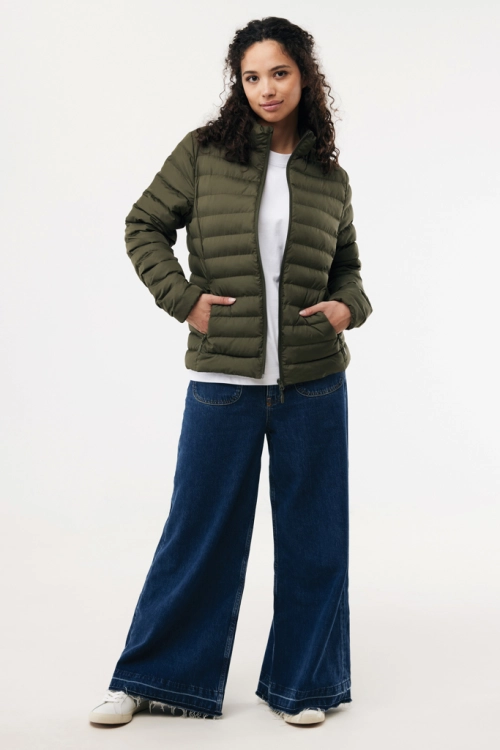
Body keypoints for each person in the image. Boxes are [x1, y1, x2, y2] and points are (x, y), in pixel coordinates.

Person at [89, 16, 372, 728]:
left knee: (315, 538)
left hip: (314, 384)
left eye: (279, 73)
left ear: (304, 76)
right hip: (224, 382)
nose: (265, 88)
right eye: (251, 76)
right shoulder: (203, 154)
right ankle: (153, 679)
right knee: (198, 532)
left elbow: (349, 271)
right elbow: (143, 225)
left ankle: (305, 685)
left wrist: (348, 308)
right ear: (238, 83)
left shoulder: (329, 177)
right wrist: (184, 301)